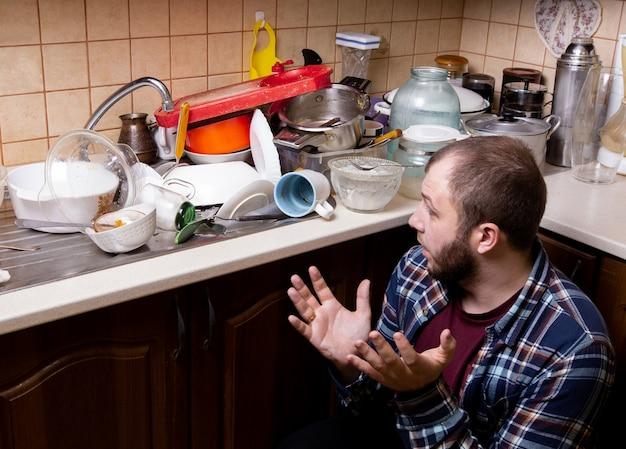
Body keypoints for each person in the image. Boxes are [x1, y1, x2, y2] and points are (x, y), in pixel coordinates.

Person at [280, 136, 615, 449]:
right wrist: (353, 363)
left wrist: (423, 393)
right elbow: (373, 409)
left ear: (485, 237)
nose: (414, 220)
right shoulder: (418, 267)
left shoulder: (574, 351)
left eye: (432, 210)